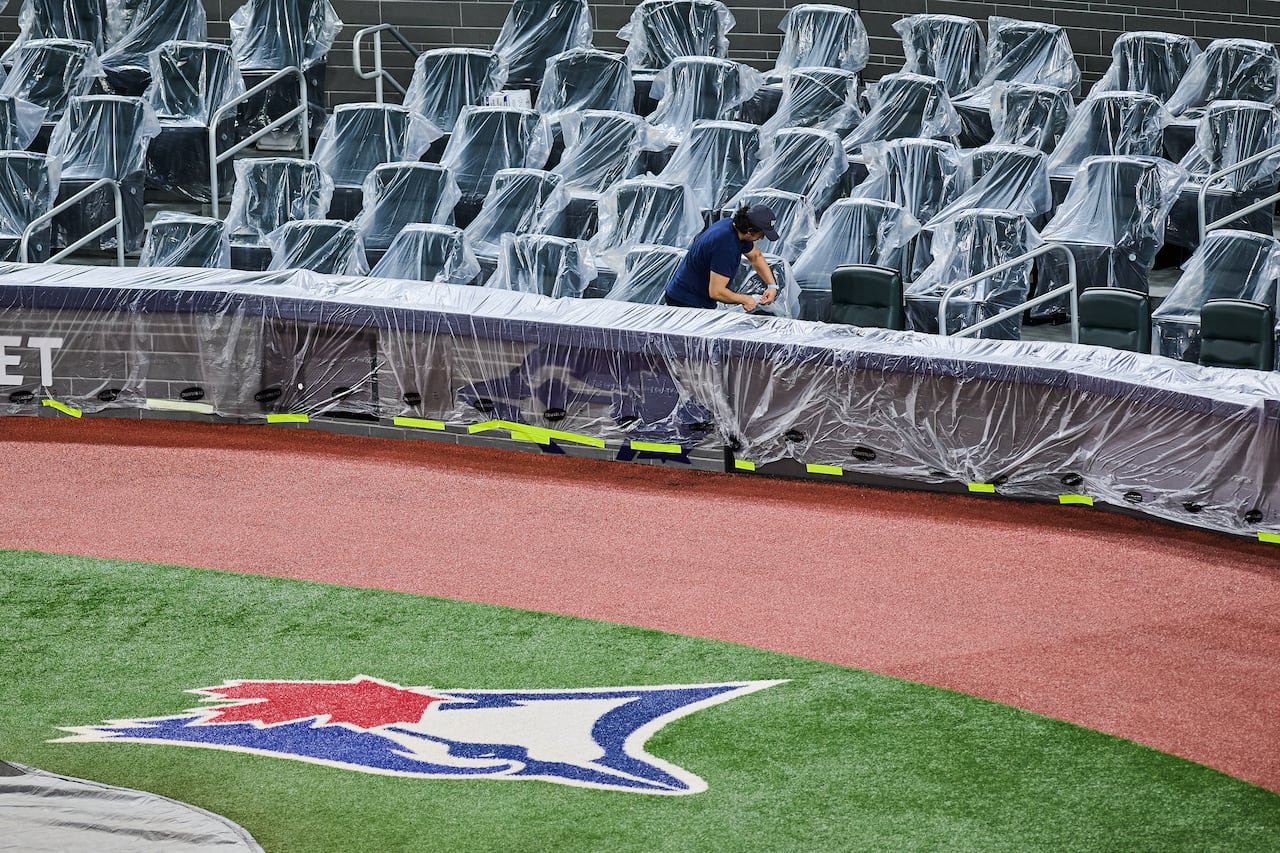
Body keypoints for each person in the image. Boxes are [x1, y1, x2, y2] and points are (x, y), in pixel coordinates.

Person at [663, 204, 780, 311]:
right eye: (762, 235)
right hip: (686, 303)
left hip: (690, 294)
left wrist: (772, 286)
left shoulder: (732, 226)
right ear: (750, 231)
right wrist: (746, 299)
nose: (761, 238)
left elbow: (755, 256)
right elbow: (716, 292)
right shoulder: (726, 246)